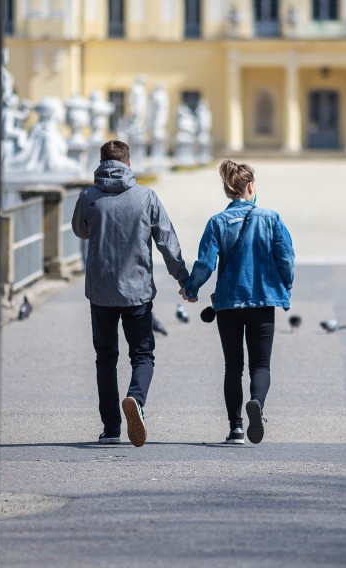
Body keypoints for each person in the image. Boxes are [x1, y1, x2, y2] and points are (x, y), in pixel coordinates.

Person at [72, 140, 189, 447]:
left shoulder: (89, 196)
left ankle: (111, 427)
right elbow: (167, 241)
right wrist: (184, 279)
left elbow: (79, 231)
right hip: (137, 291)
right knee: (142, 354)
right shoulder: (146, 197)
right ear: (129, 164)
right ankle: (135, 399)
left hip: (100, 292)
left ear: (100, 163)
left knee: (105, 358)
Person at [182, 160, 295, 445]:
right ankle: (256, 402)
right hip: (262, 300)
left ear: (227, 190)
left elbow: (205, 263)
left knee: (233, 367)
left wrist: (191, 288)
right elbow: (286, 260)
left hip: (228, 304)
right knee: (261, 366)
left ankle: (235, 428)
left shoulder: (217, 222)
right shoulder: (271, 218)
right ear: (251, 187)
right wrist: (284, 286)